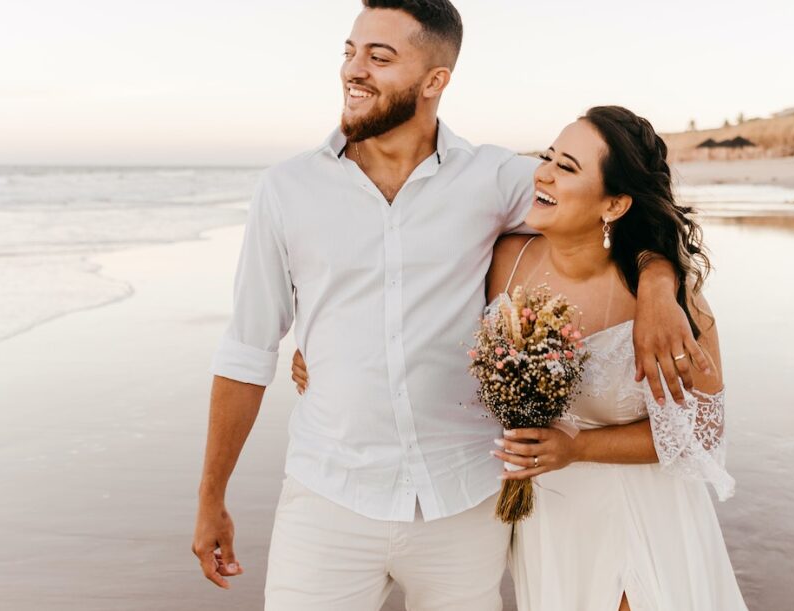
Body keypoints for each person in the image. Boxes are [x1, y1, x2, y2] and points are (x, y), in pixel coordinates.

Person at [192, 2, 703, 609]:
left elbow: (608, 210)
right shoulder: (286, 190)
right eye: (350, 52)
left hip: (463, 502)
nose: (354, 70)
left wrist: (656, 283)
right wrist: (211, 495)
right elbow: (247, 351)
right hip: (328, 498)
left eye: (380, 57)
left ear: (435, 80)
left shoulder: (492, 177)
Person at [484, 106, 747, 610]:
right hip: (549, 521)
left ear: (614, 204)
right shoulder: (505, 260)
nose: (542, 173)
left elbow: (702, 433)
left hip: (639, 516)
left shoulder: (672, 306)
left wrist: (578, 447)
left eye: (567, 167)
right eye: (547, 156)